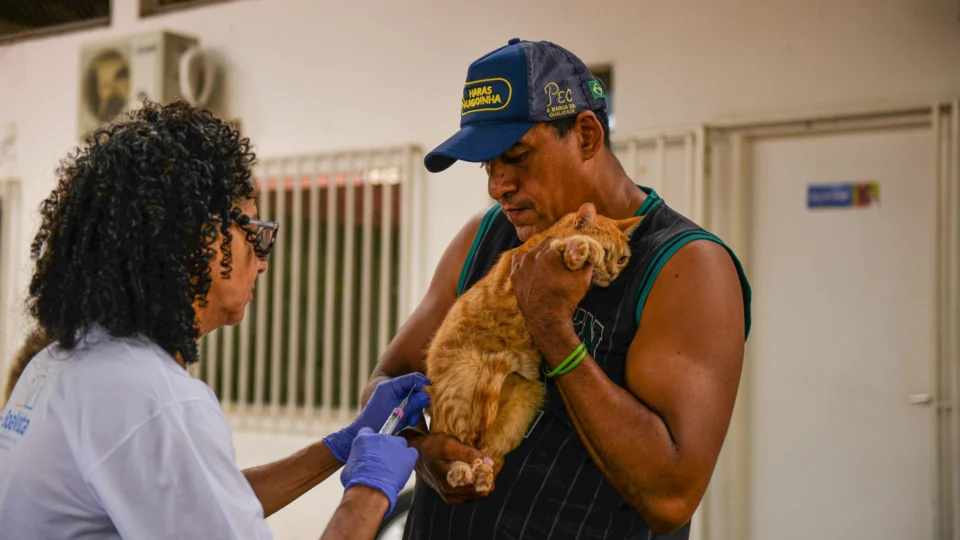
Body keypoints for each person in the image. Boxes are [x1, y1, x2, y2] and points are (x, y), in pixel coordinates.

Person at [360, 38, 752, 539]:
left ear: (586, 135)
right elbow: (386, 380)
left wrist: (552, 328)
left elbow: (671, 495)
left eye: (517, 157)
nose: (497, 186)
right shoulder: (485, 238)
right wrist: (418, 447)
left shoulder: (687, 266)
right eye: (487, 166)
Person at [0, 101, 428, 540]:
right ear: (198, 235)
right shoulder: (152, 397)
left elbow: (201, 502)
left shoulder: (62, 364)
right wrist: (368, 493)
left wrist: (338, 447)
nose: (262, 263)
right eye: (255, 234)